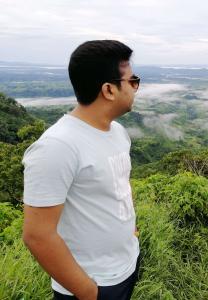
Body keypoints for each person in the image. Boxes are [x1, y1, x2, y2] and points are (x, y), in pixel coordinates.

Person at [21, 40, 141, 300]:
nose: (136, 87)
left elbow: (117, 187)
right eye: (133, 80)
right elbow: (37, 235)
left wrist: (131, 231)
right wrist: (87, 292)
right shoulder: (57, 147)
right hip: (92, 284)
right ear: (109, 90)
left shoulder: (117, 132)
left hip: (126, 265)